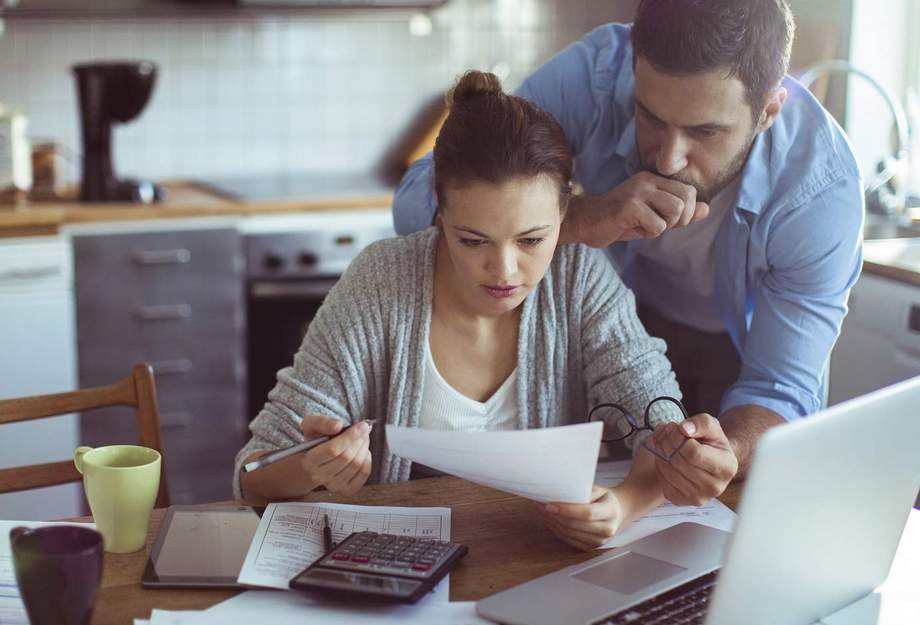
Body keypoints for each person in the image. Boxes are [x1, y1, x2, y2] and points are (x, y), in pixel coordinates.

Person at [392, 0, 863, 507]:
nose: (668, 157)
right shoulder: (592, 77)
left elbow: (779, 389)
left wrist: (733, 449)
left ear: (770, 109)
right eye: (651, 117)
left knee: (726, 517)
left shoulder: (820, 194)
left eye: (705, 131)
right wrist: (576, 217)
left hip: (736, 352)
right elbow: (417, 198)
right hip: (607, 339)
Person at [235, 70, 703, 551]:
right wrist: (309, 466)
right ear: (438, 206)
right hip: (397, 575)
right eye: (472, 240)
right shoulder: (379, 283)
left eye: (531, 240)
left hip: (536, 569)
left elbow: (661, 429)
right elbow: (253, 475)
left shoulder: (580, 276)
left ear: (566, 210)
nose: (503, 270)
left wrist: (625, 505)